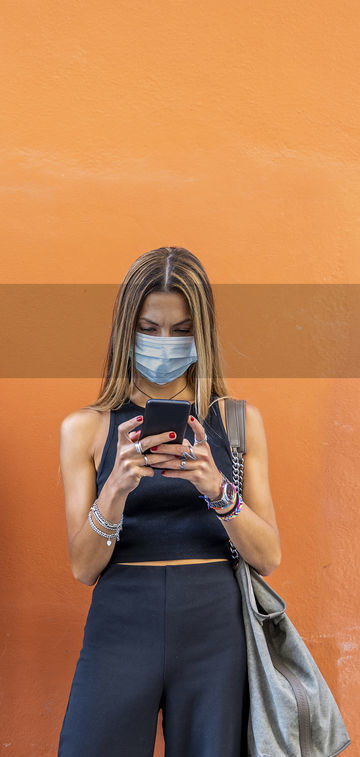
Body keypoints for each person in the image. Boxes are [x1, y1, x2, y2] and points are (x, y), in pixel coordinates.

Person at [57, 246, 281, 756]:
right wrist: (114, 489)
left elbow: (268, 555)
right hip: (120, 619)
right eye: (149, 327)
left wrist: (216, 489)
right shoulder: (85, 429)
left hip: (214, 625)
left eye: (181, 330)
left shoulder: (237, 421)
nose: (164, 342)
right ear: (125, 330)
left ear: (202, 334)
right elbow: (83, 568)